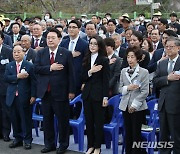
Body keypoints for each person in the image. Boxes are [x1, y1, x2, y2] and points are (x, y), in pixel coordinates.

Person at [34, 28, 75, 154]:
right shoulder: (41, 53)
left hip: (61, 92)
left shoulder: (66, 53)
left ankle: (63, 144)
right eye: (48, 38)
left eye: (53, 38)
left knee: (62, 120)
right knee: (47, 120)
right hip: (46, 93)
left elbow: (71, 74)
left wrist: (71, 91)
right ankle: (49, 144)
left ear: (59, 39)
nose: (50, 40)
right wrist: (50, 68)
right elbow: (36, 69)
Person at [81, 35, 110, 154]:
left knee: (98, 123)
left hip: (99, 95)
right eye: (90, 43)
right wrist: (90, 72)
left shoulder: (104, 59)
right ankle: (90, 145)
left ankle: (97, 147)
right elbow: (82, 77)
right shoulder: (86, 58)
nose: (92, 46)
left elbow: (106, 80)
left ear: (99, 46)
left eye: (95, 44)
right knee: (88, 122)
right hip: (87, 94)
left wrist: (105, 96)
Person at [5, 45, 36, 150]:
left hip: (25, 96)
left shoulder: (29, 65)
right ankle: (17, 138)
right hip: (12, 96)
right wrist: (17, 77)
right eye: (14, 52)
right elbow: (6, 78)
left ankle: (27, 140)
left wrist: (33, 95)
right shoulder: (9, 65)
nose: (16, 54)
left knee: (25, 119)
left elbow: (34, 82)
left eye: (18, 52)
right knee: (14, 119)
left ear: (23, 53)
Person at [119, 46, 149, 154]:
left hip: (138, 107)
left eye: (132, 57)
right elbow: (119, 88)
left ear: (138, 58)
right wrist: (128, 88)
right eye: (128, 57)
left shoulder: (144, 72)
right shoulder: (123, 71)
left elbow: (145, 91)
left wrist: (134, 105)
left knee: (136, 133)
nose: (130, 59)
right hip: (125, 106)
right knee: (128, 133)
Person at [153, 37, 180, 154]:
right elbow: (155, 81)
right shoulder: (162, 63)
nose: (168, 49)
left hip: (177, 105)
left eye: (171, 46)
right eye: (166, 46)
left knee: (176, 136)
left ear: (178, 48)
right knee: (163, 136)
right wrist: (167, 78)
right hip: (163, 104)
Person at [0, 31, 13, 142]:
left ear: (2, 39)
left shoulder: (8, 51)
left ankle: (6, 133)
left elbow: (13, 69)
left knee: (6, 111)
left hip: (5, 86)